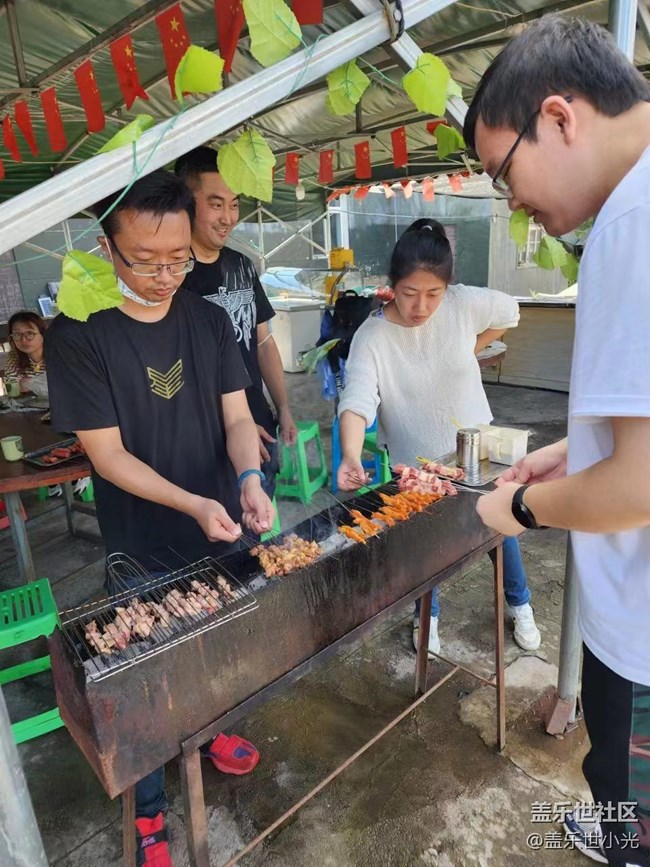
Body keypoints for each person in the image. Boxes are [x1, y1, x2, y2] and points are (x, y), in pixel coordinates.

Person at [45, 170, 274, 867]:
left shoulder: (205, 318)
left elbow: (238, 416)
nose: (165, 274)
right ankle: (148, 813)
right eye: (146, 261)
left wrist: (247, 477)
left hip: (223, 521)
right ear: (107, 247)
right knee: (144, 681)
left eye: (177, 258)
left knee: (216, 647)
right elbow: (108, 457)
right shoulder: (79, 334)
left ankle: (207, 735)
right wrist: (193, 501)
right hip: (142, 539)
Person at [463, 15, 650, 867]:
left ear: (561, 117)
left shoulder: (629, 225)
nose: (513, 204)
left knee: (633, 804)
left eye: (505, 172)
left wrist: (521, 508)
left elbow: (641, 485)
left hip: (645, 629)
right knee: (614, 782)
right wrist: (570, 453)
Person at [336, 219, 540, 655]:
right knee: (425, 548)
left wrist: (472, 345)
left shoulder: (462, 304)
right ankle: (426, 617)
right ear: (392, 285)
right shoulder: (372, 336)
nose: (422, 306)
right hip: (416, 467)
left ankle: (520, 604)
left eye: (434, 294)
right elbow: (356, 400)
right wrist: (352, 453)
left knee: (501, 530)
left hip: (476, 451)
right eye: (410, 294)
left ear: (449, 287)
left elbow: (511, 313)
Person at [175, 146, 297, 497]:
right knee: (221, 541)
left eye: (233, 204)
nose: (228, 217)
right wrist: (230, 428)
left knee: (258, 533)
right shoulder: (173, 278)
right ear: (186, 203)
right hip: (206, 438)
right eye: (215, 204)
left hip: (259, 425)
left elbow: (262, 342)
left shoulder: (241, 265)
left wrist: (283, 407)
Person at [4, 311, 48, 397]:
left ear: (43, 334)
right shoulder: (13, 357)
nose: (23, 340)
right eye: (17, 334)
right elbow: (14, 391)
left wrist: (27, 384)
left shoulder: (58, 354)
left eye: (30, 333)